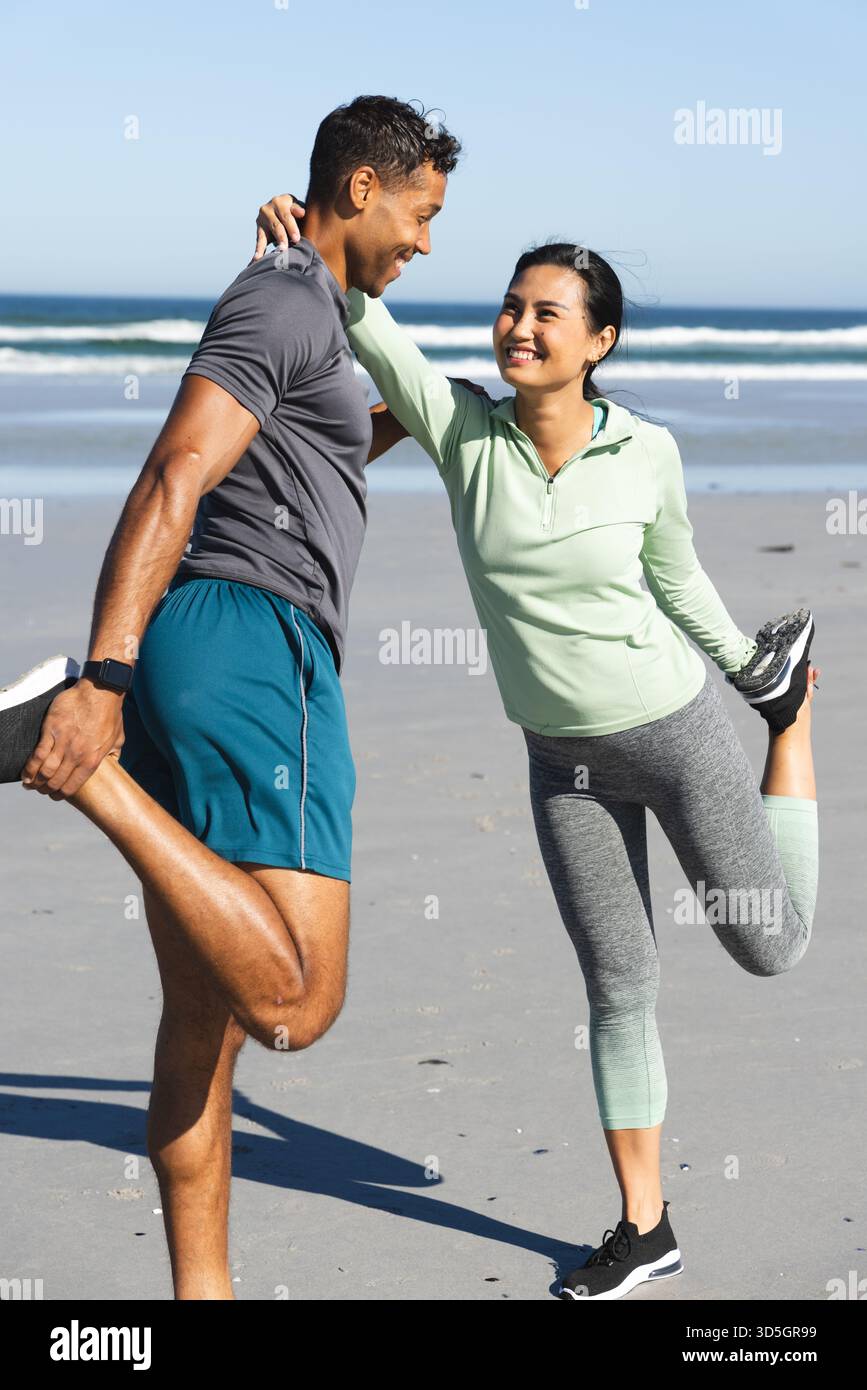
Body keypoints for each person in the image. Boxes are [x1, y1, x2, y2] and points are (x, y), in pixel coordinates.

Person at [254, 199, 821, 1300]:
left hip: (677, 731)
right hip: (560, 761)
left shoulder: (646, 451)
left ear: (597, 342)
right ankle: (645, 1227)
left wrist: (752, 671)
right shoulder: (464, 431)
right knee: (619, 986)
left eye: (547, 313)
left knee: (771, 948)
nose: (520, 326)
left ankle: (791, 717)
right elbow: (364, 313)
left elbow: (676, 578)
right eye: (512, 306)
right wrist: (304, 233)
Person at [0, 95, 462, 1300]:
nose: (427, 243)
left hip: (201, 642)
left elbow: (305, 449)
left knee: (199, 1021)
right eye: (421, 213)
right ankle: (83, 766)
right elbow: (175, 471)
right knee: (296, 1000)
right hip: (254, 643)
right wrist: (102, 683)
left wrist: (419, 418)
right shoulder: (285, 296)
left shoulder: (298, 298)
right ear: (364, 190)